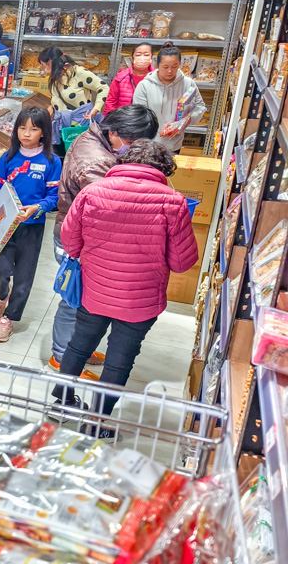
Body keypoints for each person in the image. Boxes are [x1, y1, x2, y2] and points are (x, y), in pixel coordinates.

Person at [53, 139, 198, 436]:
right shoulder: (173, 202)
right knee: (120, 361)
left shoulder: (92, 193)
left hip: (94, 290)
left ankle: (63, 401)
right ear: (164, 169)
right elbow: (182, 262)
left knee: (79, 344)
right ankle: (97, 423)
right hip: (141, 301)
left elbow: (70, 242)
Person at [48, 105, 159, 377]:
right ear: (114, 133)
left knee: (79, 296)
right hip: (78, 238)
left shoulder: (96, 141)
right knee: (73, 298)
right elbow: (110, 205)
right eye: (132, 142)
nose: (134, 149)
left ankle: (75, 350)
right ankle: (62, 357)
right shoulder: (96, 161)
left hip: (82, 234)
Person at [0, 107, 61, 344]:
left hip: (32, 227)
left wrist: (39, 208)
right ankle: (2, 293)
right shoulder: (8, 158)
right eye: (22, 128)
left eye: (34, 129)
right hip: (4, 224)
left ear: (44, 133)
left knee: (24, 276)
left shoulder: (52, 162)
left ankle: (9, 320)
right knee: (0, 270)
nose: (27, 133)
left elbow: (54, 196)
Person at [130, 44, 205, 153]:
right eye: (165, 67)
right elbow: (138, 115)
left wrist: (186, 120)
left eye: (174, 66)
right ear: (157, 64)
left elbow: (200, 107)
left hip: (174, 145)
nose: (170, 71)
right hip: (148, 145)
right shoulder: (145, 86)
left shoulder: (188, 84)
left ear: (180, 64)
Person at [39, 46, 107, 116]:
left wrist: (96, 109)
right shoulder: (55, 78)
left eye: (42, 65)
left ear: (50, 63)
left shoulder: (78, 72)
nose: (43, 69)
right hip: (63, 124)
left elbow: (103, 87)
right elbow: (60, 99)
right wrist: (52, 107)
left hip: (80, 124)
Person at [102, 42, 153, 115]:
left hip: (148, 121)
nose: (142, 58)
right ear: (132, 59)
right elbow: (111, 103)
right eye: (138, 55)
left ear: (151, 58)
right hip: (124, 121)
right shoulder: (120, 78)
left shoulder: (158, 78)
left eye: (146, 55)